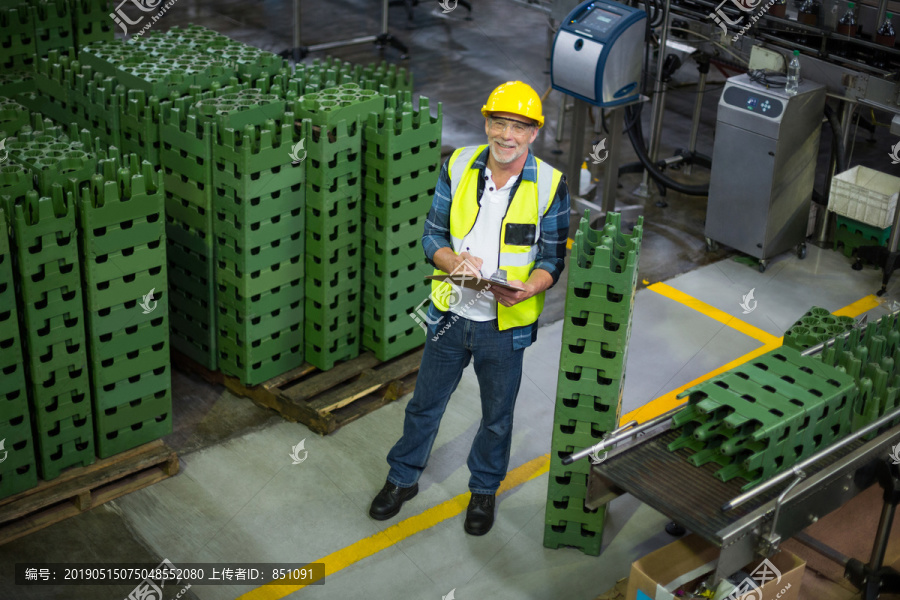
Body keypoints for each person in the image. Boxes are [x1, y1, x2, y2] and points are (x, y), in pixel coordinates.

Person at [368, 81, 570, 536]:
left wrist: (529, 288)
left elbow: (553, 259)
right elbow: (431, 236)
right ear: (486, 124)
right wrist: (450, 260)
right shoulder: (457, 165)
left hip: (504, 326)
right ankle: (402, 479)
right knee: (424, 406)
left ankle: (483, 489)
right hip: (450, 315)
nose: (507, 136)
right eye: (499, 123)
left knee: (497, 417)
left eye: (519, 127)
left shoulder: (550, 186)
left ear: (534, 134)